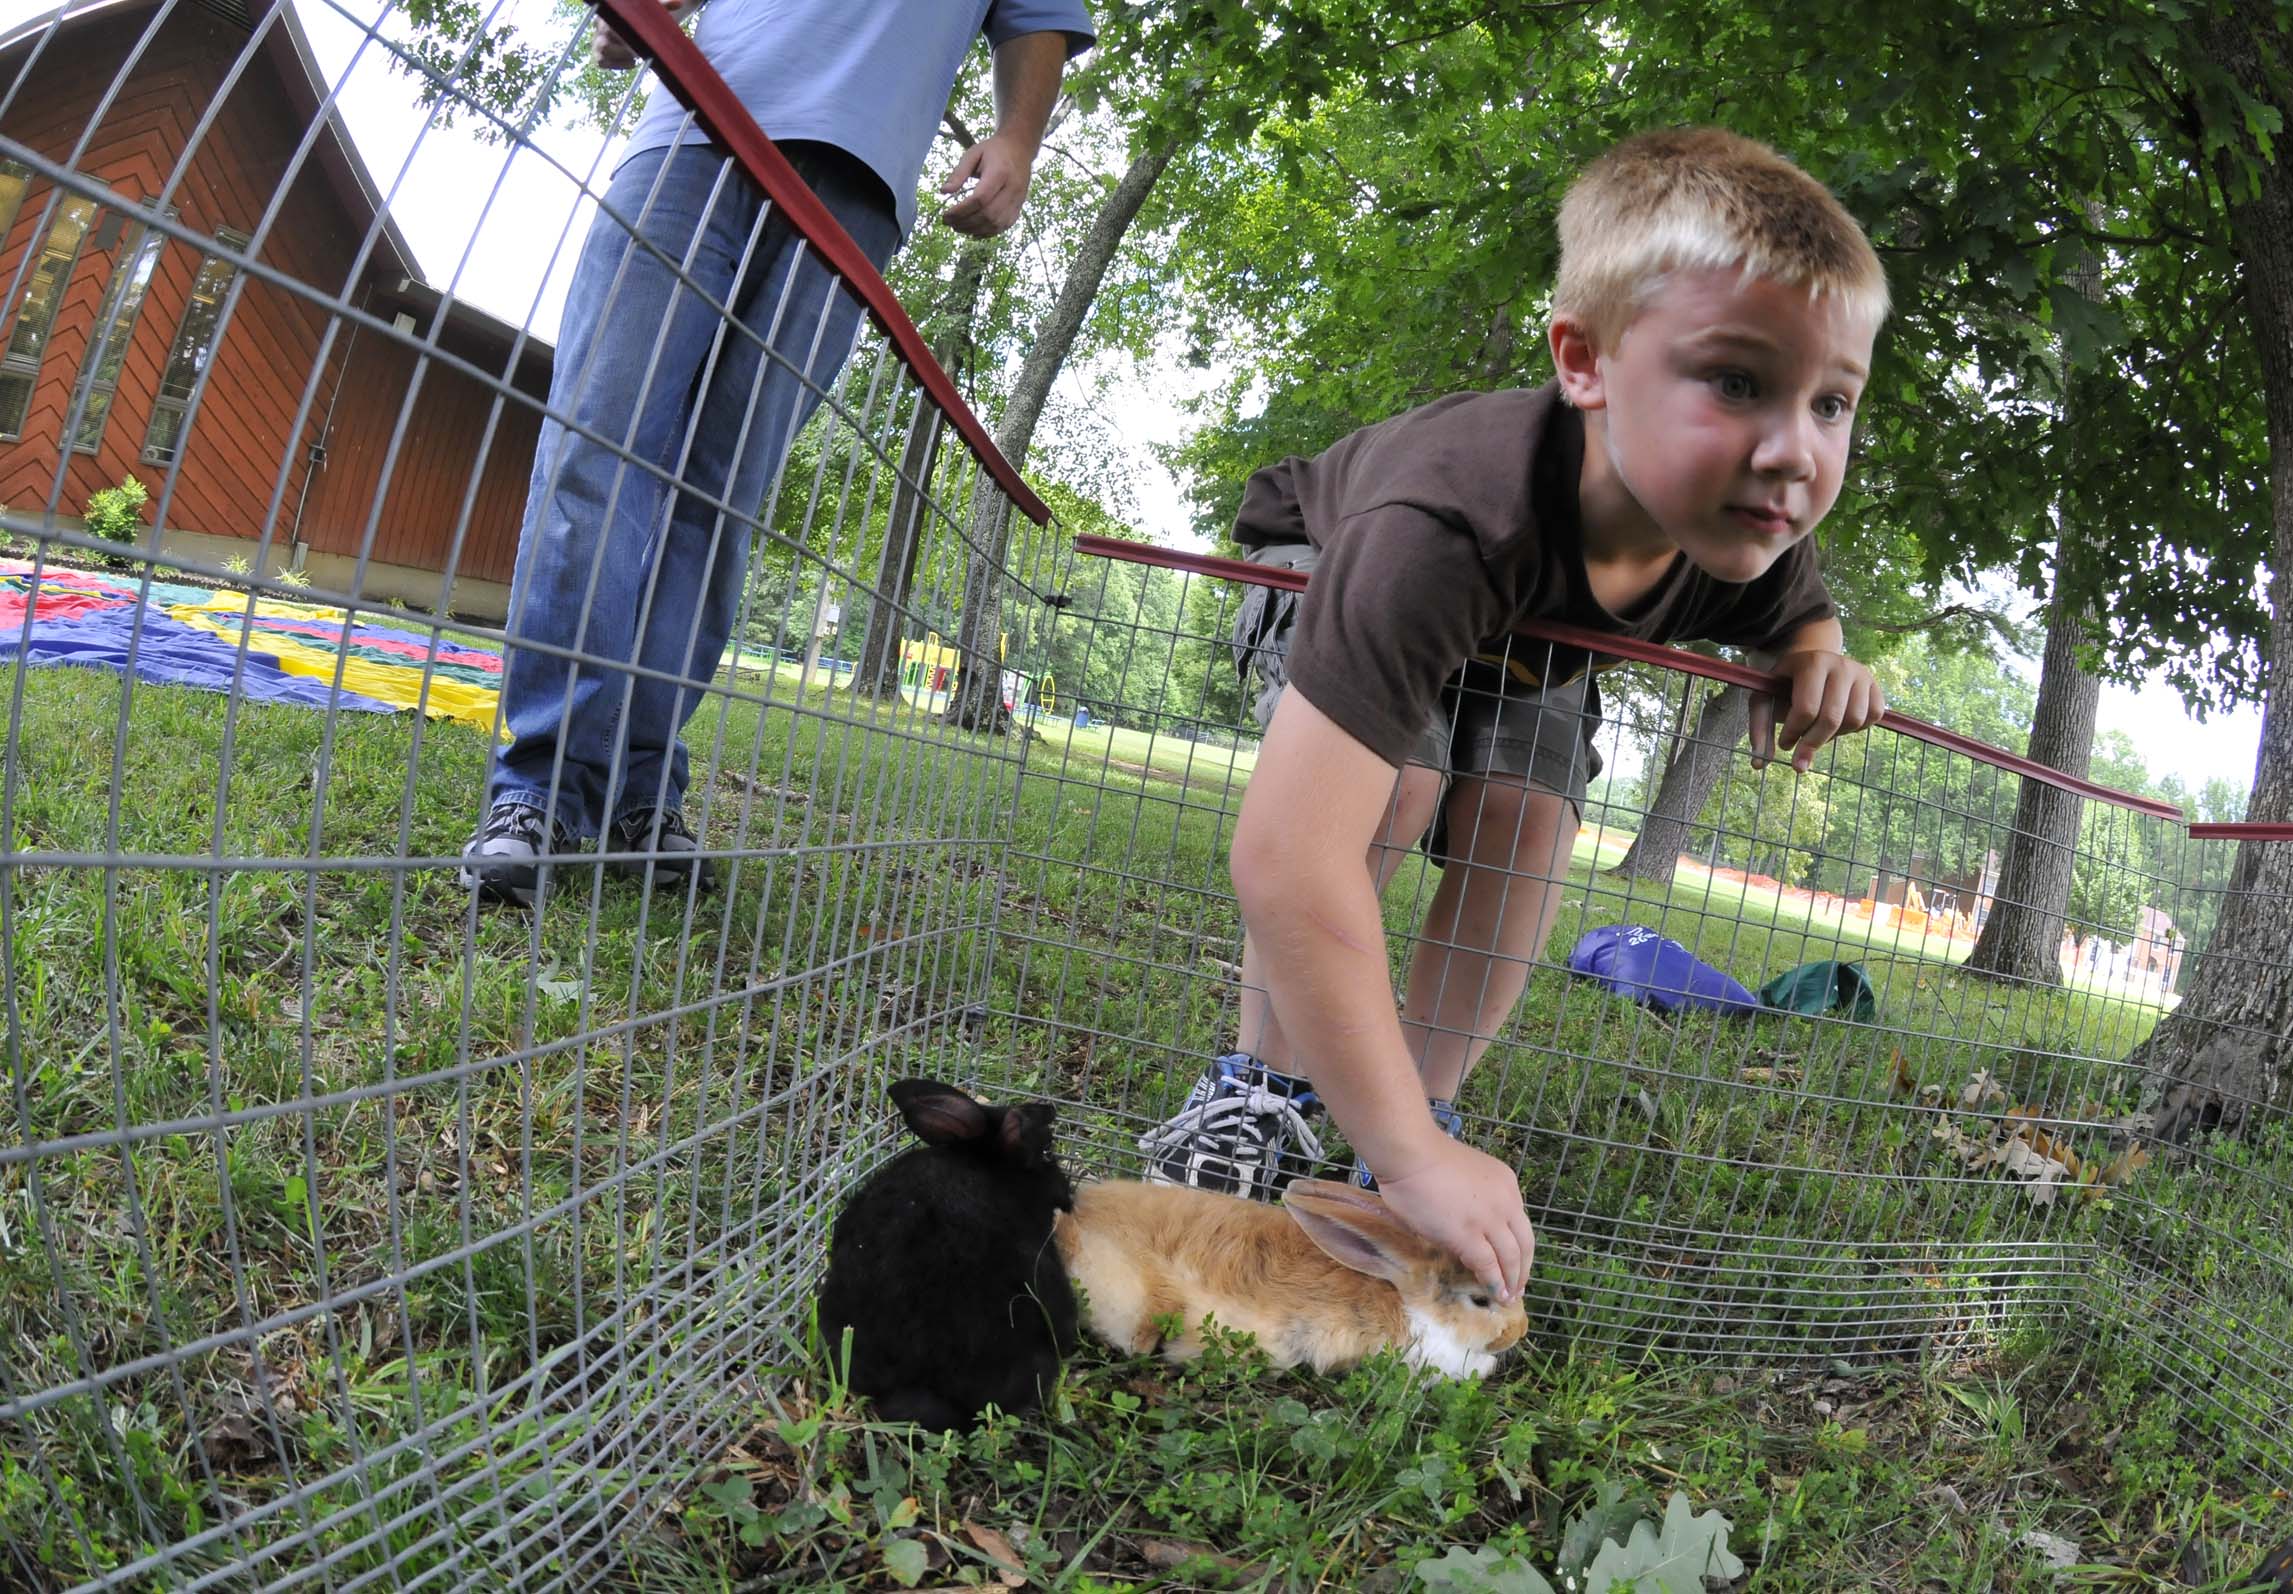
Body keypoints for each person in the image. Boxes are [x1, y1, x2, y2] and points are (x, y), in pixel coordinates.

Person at [1137, 128, 1891, 1306]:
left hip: (1532, 645)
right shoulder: (1440, 523)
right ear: (1584, 361)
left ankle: (1419, 1106)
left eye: (1833, 401)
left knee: (1528, 820)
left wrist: (1823, 658)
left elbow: (1805, 615)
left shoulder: (1742, 534)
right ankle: (1260, 1089)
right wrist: (1417, 1160)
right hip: (1339, 561)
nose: (1795, 452)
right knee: (1393, 789)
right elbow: (1287, 859)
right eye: (1738, 382)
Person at [462, 0, 1093, 906]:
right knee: (595, 452)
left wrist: (1018, 139)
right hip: (693, 127)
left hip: (855, 192)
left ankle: (640, 794)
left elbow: (1036, 15)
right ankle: (540, 789)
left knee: (720, 499)